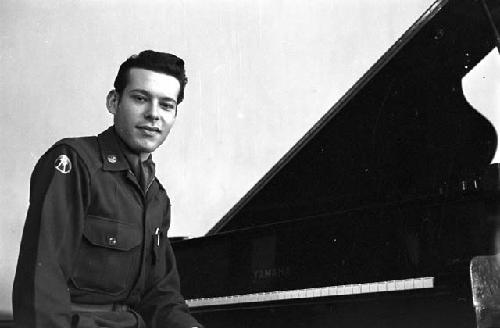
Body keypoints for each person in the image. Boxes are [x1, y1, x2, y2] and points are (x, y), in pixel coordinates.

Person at [13, 50, 203, 328]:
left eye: (166, 105)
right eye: (140, 99)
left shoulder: (157, 197)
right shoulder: (75, 163)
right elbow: (40, 281)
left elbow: (160, 296)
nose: (153, 114)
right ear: (114, 102)